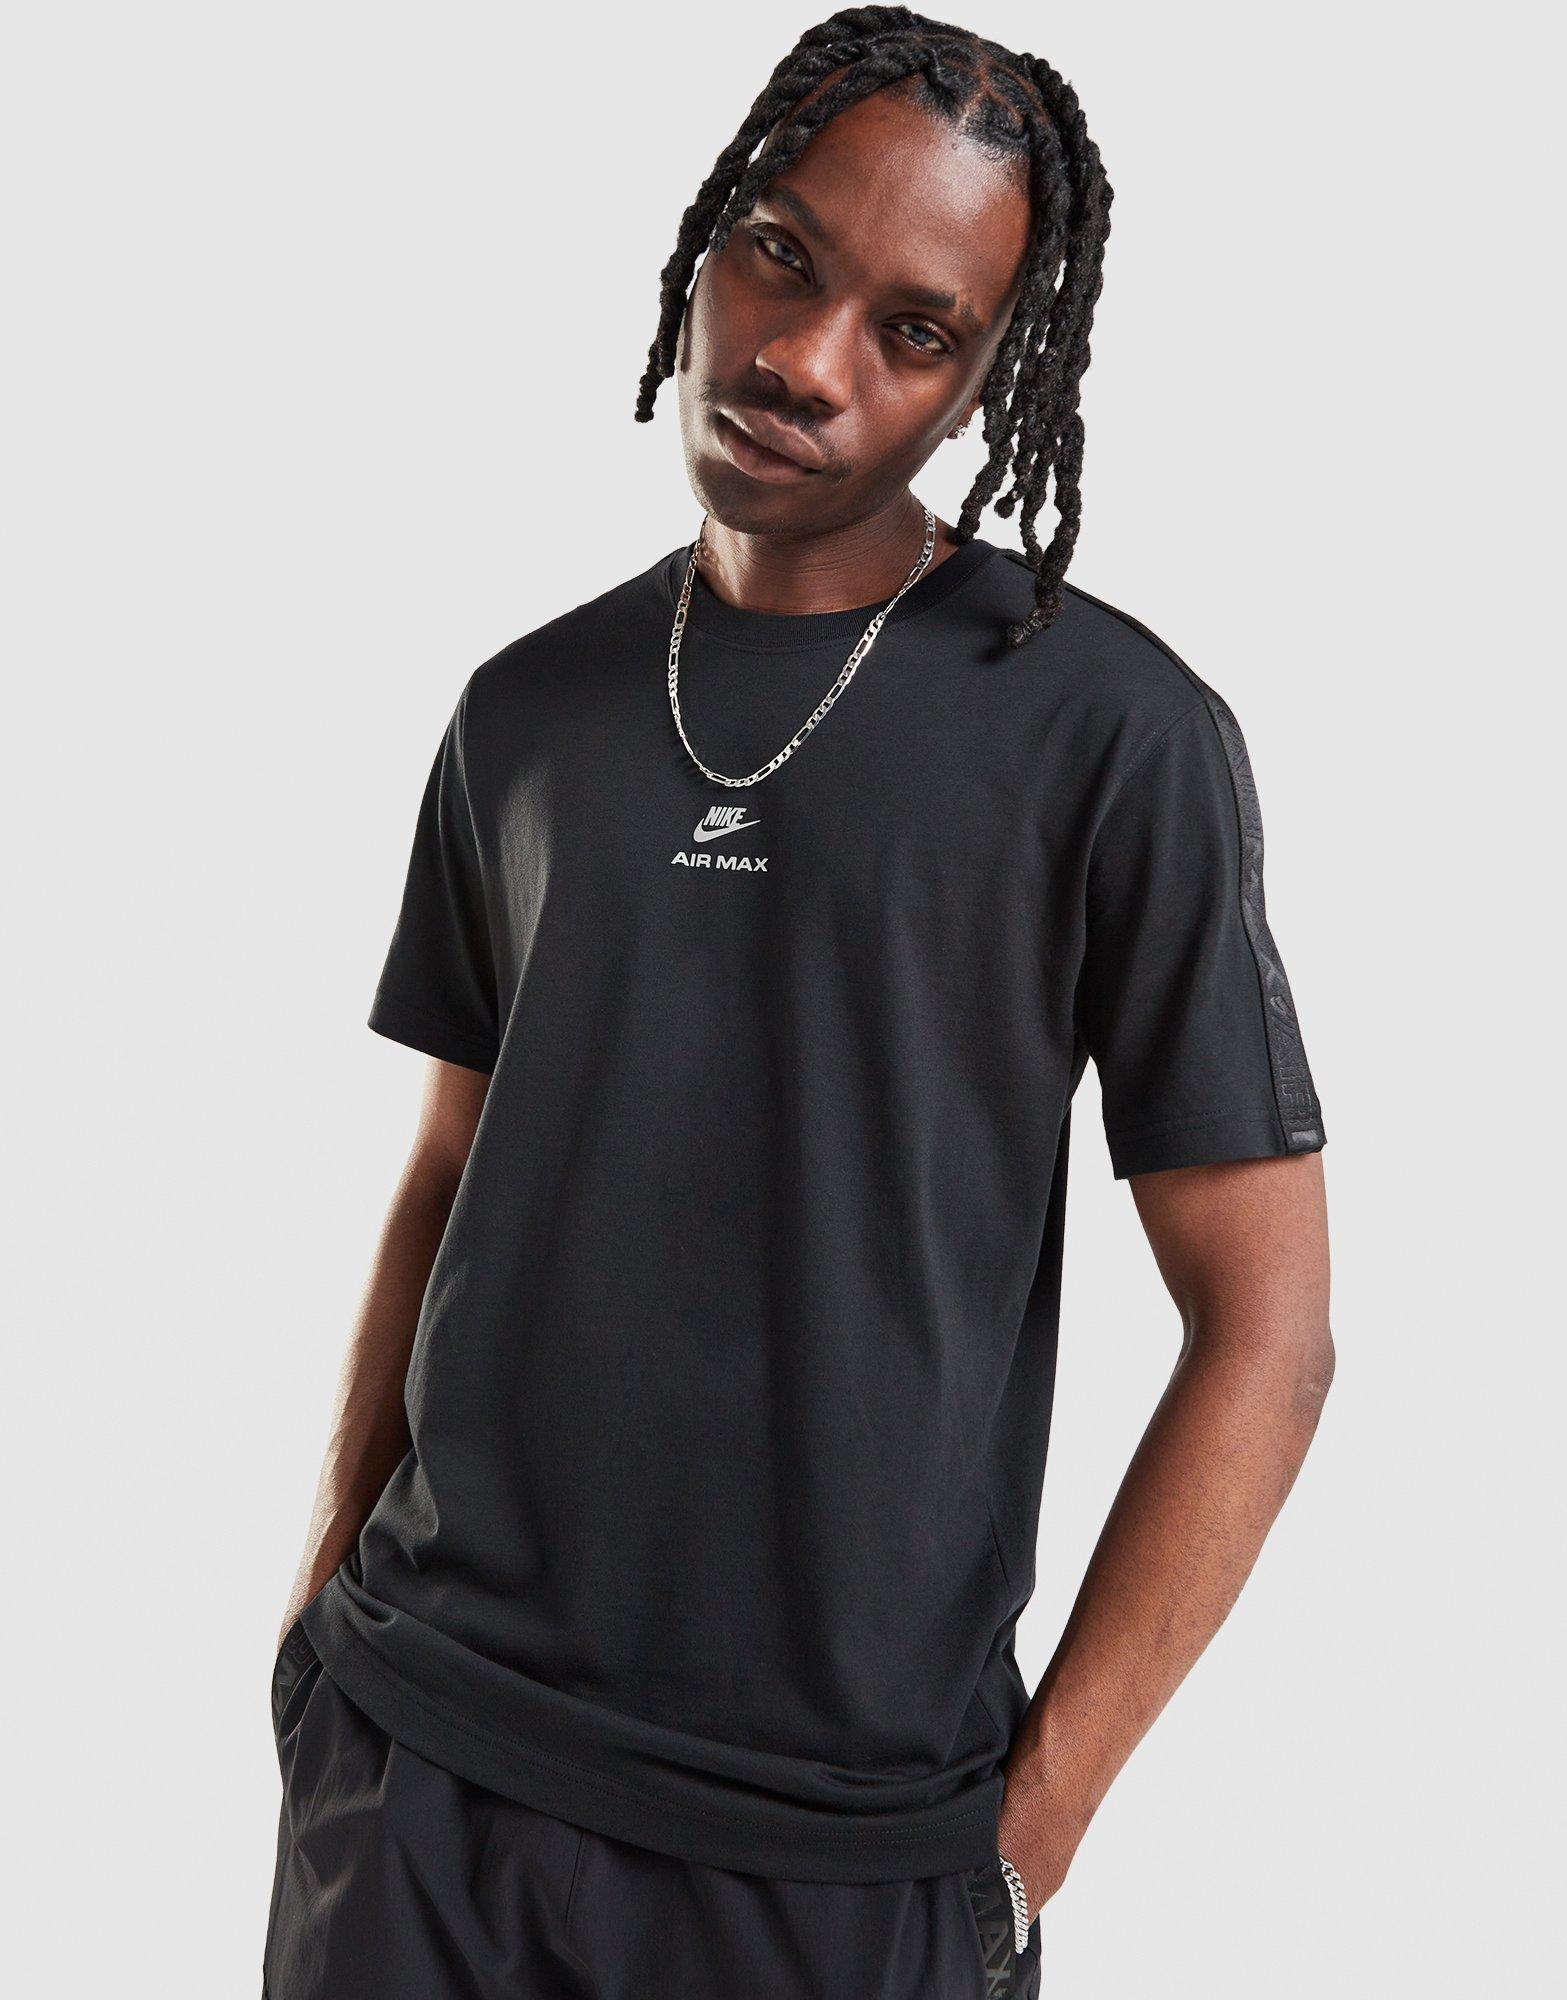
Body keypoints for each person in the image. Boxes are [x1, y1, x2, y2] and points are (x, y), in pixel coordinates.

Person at [261, 10, 1334, 1996]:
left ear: (990, 377)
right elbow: (445, 1183)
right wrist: (324, 1625)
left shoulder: (1114, 737)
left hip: (840, 1863)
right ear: (707, 242)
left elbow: (1267, 1333)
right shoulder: (528, 709)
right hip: (423, 1787)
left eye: (914, 330)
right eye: (781, 254)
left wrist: (1025, 1837)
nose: (807, 359)